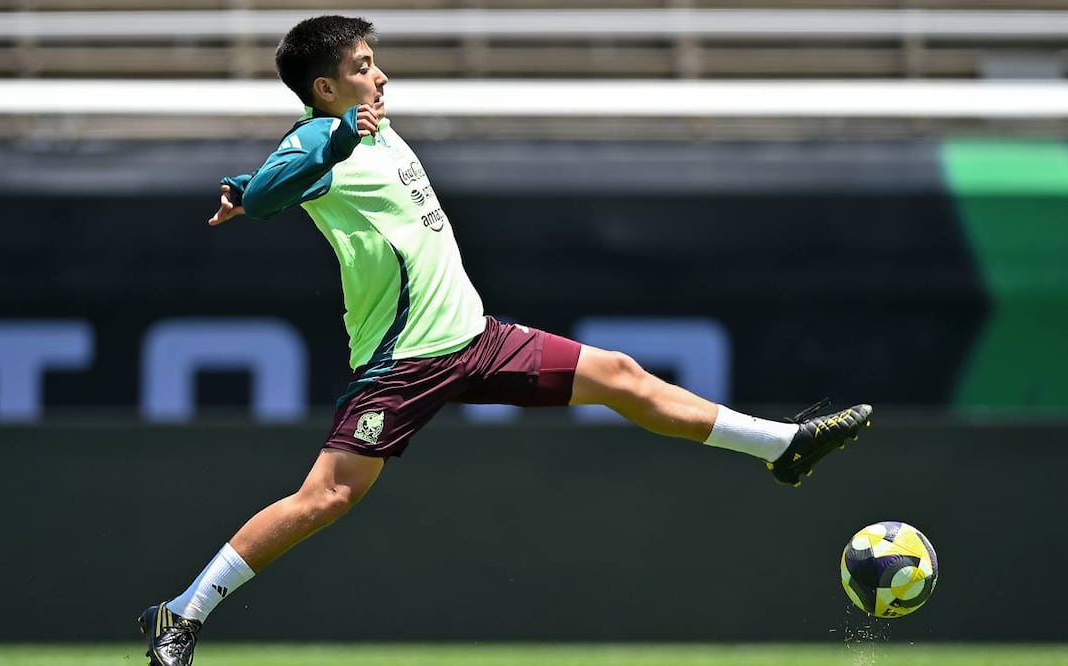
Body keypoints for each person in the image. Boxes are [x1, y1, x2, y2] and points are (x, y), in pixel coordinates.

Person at [138, 15, 872, 666]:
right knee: (325, 498)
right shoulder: (325, 136)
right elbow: (277, 189)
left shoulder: (369, 126)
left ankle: (782, 447)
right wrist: (268, 179)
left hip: (476, 339)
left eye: (374, 62)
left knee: (618, 373)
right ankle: (182, 612)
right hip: (405, 364)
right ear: (325, 87)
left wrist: (244, 181)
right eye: (363, 67)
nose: (380, 74)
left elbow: (266, 182)